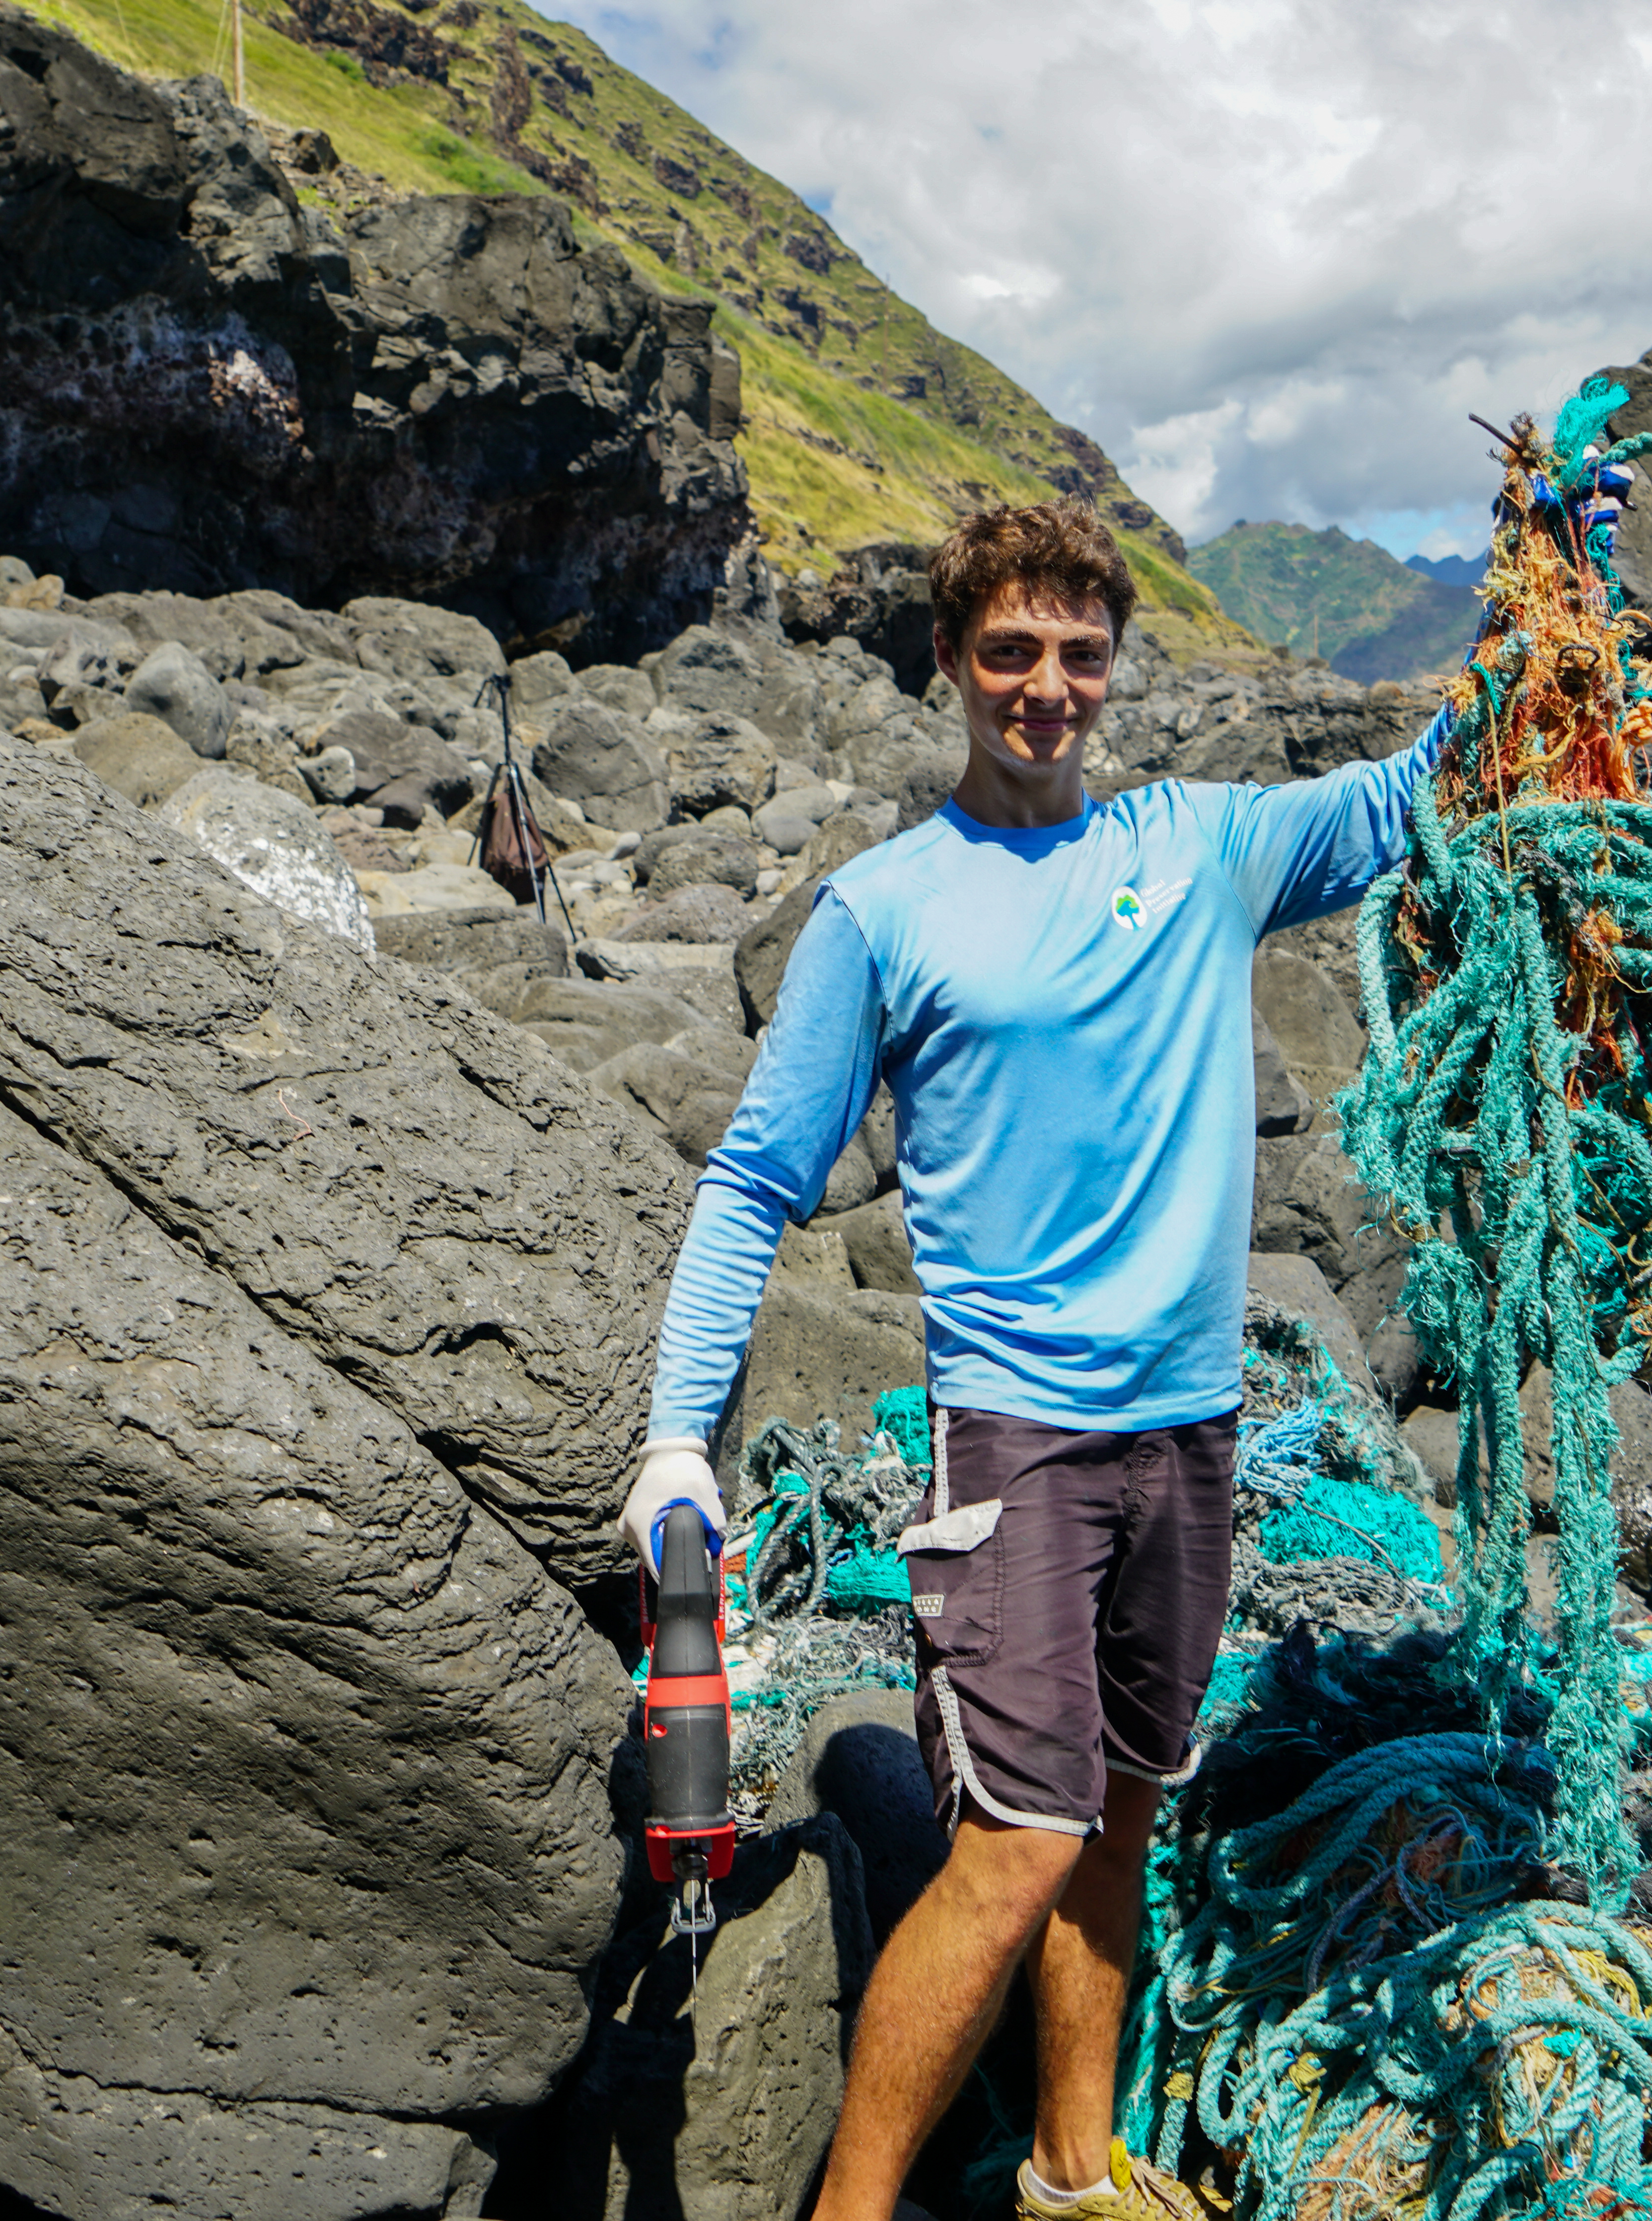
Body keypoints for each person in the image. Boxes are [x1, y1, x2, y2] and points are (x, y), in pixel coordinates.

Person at [623, 498, 1445, 2221]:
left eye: (1079, 653)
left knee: (1124, 1818)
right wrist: (676, 1441)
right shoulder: (884, 910)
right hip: (1017, 1450)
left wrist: (1556, 597)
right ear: (950, 662)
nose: (1047, 687)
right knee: (1015, 1848)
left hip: (1194, 1436)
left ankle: (1076, 2175)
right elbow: (759, 1177)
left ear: (1114, 665)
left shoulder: (1205, 847)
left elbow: (1413, 797)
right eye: (1010, 651)